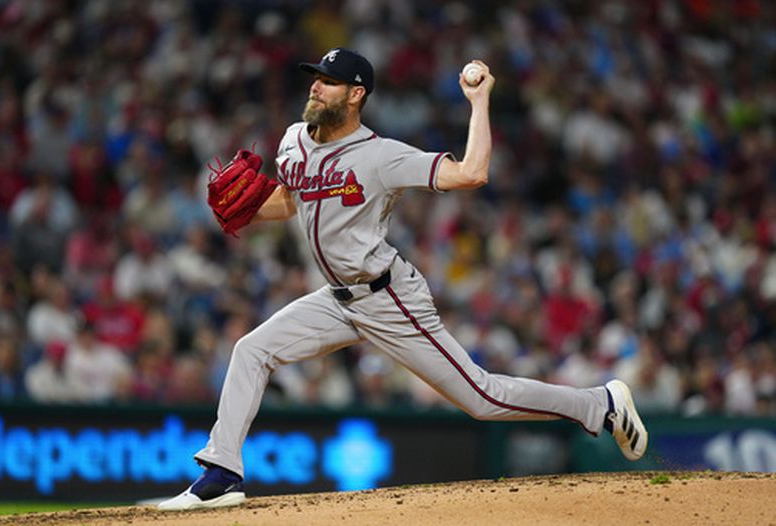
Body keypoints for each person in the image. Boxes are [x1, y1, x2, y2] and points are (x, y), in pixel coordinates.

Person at [159, 48, 648, 511]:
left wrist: (479, 102)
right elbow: (293, 199)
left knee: (481, 397)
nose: (316, 89)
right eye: (315, 80)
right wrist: (248, 212)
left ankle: (599, 404)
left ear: (356, 94)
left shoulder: (381, 156)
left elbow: (471, 173)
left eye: (329, 83)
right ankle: (222, 473)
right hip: (336, 300)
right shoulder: (292, 140)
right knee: (251, 349)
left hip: (388, 297)